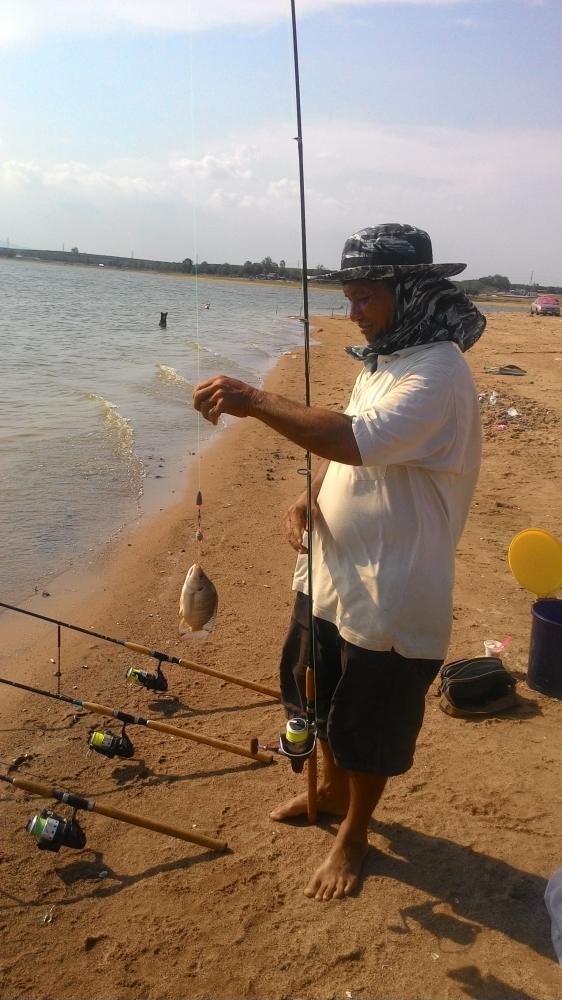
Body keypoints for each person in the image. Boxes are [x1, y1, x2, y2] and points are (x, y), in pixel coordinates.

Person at [193, 222, 485, 902]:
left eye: (363, 296)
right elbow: (345, 450)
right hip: (330, 570)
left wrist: (254, 399)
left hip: (391, 590)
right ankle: (323, 789)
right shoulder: (381, 360)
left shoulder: (440, 371)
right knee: (311, 686)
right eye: (348, 295)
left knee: (367, 721)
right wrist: (311, 491)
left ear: (408, 291)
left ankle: (354, 833)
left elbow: (361, 439)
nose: (352, 310)